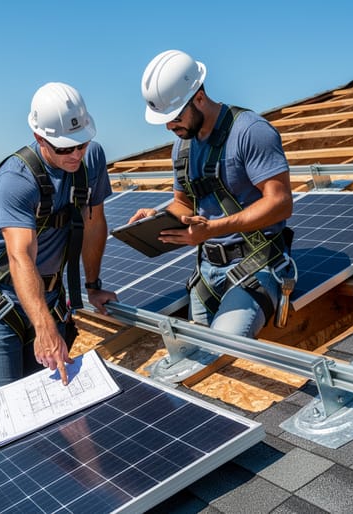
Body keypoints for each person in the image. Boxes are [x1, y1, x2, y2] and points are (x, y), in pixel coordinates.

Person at [130, 49, 293, 340]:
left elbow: (280, 203)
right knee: (191, 353)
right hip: (207, 272)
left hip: (256, 267)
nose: (170, 126)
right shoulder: (182, 147)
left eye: (175, 117)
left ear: (200, 98)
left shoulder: (250, 131)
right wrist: (159, 217)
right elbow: (184, 203)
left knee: (222, 351)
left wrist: (213, 229)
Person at [0, 82, 118, 393]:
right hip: (0, 306)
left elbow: (93, 223)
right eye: (65, 148)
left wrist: (92, 286)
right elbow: (20, 256)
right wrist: (44, 325)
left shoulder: (92, 160)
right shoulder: (15, 180)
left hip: (48, 297)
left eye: (82, 143)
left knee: (56, 400)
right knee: (7, 407)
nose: (76, 154)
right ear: (40, 138)